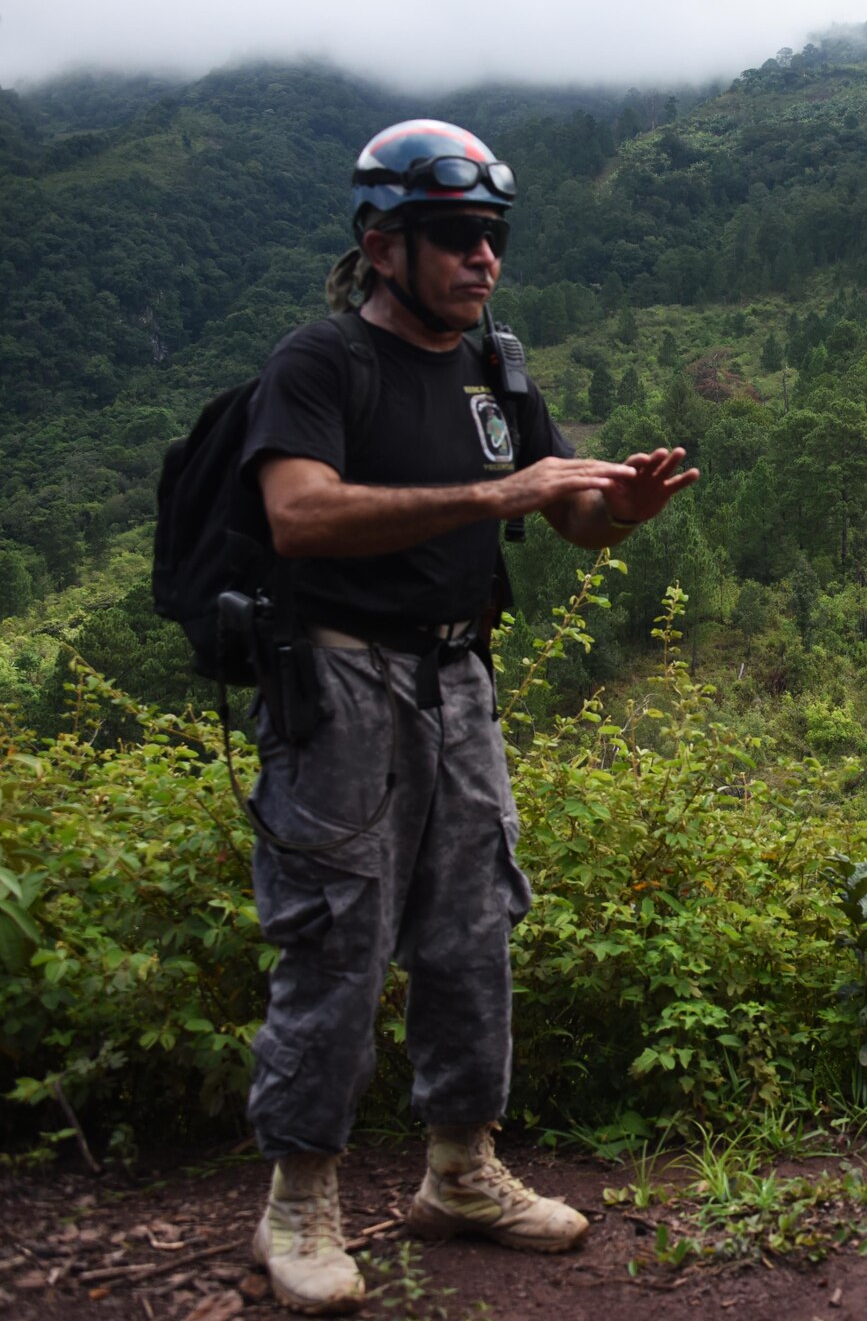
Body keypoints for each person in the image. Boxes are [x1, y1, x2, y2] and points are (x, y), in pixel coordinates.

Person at [239, 119, 698, 1314]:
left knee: (471, 921)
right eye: (455, 237)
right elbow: (298, 516)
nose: (482, 258)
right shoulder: (321, 364)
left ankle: (460, 1172)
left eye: (491, 237)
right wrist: (499, 491)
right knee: (337, 933)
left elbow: (569, 521)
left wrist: (621, 509)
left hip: (457, 679)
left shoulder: (498, 367)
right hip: (339, 681)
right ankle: (299, 1205)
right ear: (381, 245)